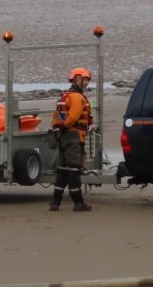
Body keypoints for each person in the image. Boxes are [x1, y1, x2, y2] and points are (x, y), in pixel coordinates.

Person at [48, 67, 94, 212]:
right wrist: (64, 127)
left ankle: (55, 203)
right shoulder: (76, 97)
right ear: (78, 79)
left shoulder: (64, 96)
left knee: (62, 170)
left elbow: (55, 116)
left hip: (63, 137)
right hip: (74, 136)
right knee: (74, 170)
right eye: (85, 80)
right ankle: (78, 203)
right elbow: (73, 116)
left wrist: (57, 128)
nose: (87, 83)